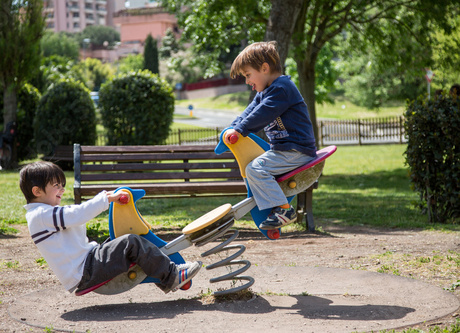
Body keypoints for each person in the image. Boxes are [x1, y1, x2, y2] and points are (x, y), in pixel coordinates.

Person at [19, 161, 202, 294]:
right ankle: (173, 276)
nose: (62, 190)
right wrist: (106, 199)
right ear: (37, 191)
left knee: (122, 240)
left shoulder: (44, 214)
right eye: (56, 186)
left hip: (87, 264)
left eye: (62, 185)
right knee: (131, 242)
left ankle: (165, 278)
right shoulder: (40, 215)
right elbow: (77, 214)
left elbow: (74, 215)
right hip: (86, 271)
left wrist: (106, 197)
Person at [224, 41, 317, 230]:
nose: (247, 81)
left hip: (296, 150)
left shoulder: (282, 88)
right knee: (254, 168)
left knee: (256, 169)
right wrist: (233, 127)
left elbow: (263, 113)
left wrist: (240, 130)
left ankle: (284, 210)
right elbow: (249, 112)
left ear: (264, 68)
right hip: (286, 150)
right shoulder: (265, 92)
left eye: (248, 75)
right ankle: (274, 205)